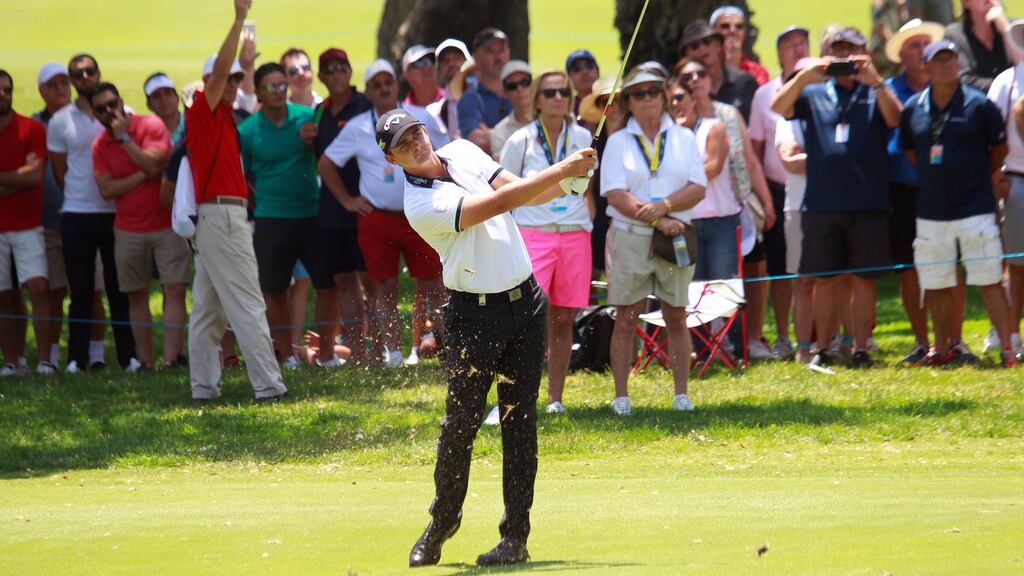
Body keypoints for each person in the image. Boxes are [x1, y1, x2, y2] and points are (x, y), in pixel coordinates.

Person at [378, 109, 596, 568]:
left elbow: (520, 190)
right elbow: (496, 205)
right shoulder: (420, 205)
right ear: (392, 159)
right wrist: (562, 169)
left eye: (415, 131)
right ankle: (442, 521)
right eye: (402, 143)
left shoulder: (461, 150)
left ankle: (515, 536)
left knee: (520, 422)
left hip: (527, 305)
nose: (415, 142)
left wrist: (570, 182)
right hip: (474, 316)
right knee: (461, 423)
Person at [772, 27, 903, 368]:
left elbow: (895, 119)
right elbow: (779, 106)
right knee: (825, 279)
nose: (845, 57)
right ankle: (823, 349)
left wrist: (876, 81)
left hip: (867, 202)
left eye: (851, 50)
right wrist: (804, 77)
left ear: (865, 53)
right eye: (838, 50)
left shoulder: (875, 92)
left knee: (863, 279)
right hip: (822, 203)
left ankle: (860, 348)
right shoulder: (814, 93)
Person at [186, 0, 289, 402]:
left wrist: (245, 64)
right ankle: (269, 387)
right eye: (225, 79)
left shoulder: (225, 116)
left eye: (235, 79)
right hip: (222, 217)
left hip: (219, 217)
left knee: (208, 311)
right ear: (209, 81)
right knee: (248, 302)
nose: (231, 84)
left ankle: (203, 389)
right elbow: (220, 73)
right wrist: (239, 19)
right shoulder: (203, 110)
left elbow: (239, 83)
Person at [318, 59, 446, 367]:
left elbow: (445, 151)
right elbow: (325, 164)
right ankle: (393, 354)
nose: (384, 89)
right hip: (377, 218)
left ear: (397, 85)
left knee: (434, 282)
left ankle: (450, 345)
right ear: (368, 93)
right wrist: (347, 200)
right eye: (377, 85)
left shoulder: (419, 117)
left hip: (419, 213)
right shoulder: (358, 126)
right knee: (382, 286)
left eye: (388, 82)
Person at [899, 39, 1017, 366]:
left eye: (951, 59)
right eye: (939, 60)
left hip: (975, 208)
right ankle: (942, 348)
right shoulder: (912, 108)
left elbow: (999, 150)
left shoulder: (980, 105)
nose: (947, 65)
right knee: (936, 283)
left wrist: (977, 175)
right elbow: (911, 152)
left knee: (990, 280)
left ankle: (1008, 350)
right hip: (931, 211)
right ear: (925, 67)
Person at [602, 69, 707, 416]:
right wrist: (658, 219)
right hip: (631, 237)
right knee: (627, 317)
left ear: (663, 97)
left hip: (674, 236)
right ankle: (621, 396)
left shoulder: (683, 137)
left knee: (676, 314)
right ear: (629, 102)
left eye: (653, 92)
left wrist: (665, 206)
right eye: (639, 93)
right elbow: (615, 194)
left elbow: (698, 187)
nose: (647, 98)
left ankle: (681, 394)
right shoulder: (618, 141)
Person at [498, 69, 594, 415]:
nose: (558, 98)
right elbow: (503, 192)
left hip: (574, 233)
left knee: (564, 317)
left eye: (564, 92)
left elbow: (587, 188)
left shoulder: (582, 136)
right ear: (537, 99)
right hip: (533, 234)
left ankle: (555, 400)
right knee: (526, 318)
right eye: (550, 92)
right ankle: (515, 397)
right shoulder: (520, 140)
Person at [47, 53, 137, 373]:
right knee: (81, 290)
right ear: (72, 80)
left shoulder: (123, 113)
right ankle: (76, 358)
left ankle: (129, 356)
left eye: (90, 71)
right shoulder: (60, 121)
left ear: (98, 73)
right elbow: (61, 172)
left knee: (119, 288)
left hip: (116, 212)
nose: (85, 77)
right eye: (77, 73)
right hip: (77, 212)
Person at [91, 82, 189, 371]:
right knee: (136, 295)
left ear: (121, 102)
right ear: (95, 114)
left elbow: (157, 165)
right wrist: (142, 174)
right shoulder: (99, 145)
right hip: (128, 229)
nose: (109, 112)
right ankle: (146, 361)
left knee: (175, 289)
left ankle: (172, 358)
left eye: (112, 104)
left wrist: (125, 140)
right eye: (101, 109)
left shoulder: (151, 125)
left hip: (166, 224)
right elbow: (107, 190)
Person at [237, 62, 321, 370]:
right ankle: (286, 356)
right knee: (274, 290)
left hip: (311, 212)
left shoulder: (306, 118)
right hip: (271, 219)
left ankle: (326, 353)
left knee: (327, 284)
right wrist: (261, 201)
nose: (278, 91)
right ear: (258, 92)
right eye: (271, 86)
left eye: (282, 84)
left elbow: (325, 158)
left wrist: (313, 142)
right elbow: (242, 175)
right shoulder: (247, 131)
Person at [885, 19, 951, 363]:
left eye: (926, 43)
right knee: (909, 270)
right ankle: (922, 342)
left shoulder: (949, 89)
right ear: (903, 56)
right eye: (914, 45)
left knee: (946, 265)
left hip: (942, 191)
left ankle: (952, 341)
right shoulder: (888, 89)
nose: (923, 50)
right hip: (901, 191)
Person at [748, 25, 811, 360]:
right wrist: (763, 199)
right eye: (789, 44)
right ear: (778, 54)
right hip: (776, 190)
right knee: (782, 269)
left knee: (816, 267)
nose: (797, 48)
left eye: (802, 43)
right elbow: (756, 153)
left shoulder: (822, 89)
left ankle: (816, 335)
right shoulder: (764, 95)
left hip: (816, 189)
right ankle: (784, 335)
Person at [309, 47, 371, 367]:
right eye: (329, 70)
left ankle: (377, 351)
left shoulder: (365, 106)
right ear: (321, 76)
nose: (336, 75)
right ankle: (354, 354)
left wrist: (351, 199)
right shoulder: (319, 112)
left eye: (341, 68)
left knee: (371, 281)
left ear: (349, 71)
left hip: (364, 205)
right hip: (332, 211)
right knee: (344, 280)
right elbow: (318, 159)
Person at [0, 69, 57, 376]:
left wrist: (13, 179)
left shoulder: (30, 128)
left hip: (27, 224)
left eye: (7, 90)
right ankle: (13, 362)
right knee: (4, 295)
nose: (3, 95)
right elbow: (24, 177)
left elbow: (34, 175)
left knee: (38, 286)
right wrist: (17, 179)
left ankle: (46, 361)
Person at [33, 63, 74, 370]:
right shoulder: (34, 124)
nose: (61, 88)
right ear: (41, 90)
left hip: (83, 218)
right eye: (53, 84)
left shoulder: (82, 118)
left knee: (90, 291)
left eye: (64, 82)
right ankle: (52, 356)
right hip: (45, 223)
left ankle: (92, 356)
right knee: (52, 291)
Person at [988, 19, 1024, 359]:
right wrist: (996, 176)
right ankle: (1011, 335)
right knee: (1015, 263)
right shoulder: (1007, 80)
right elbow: (991, 132)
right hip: (1017, 180)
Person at [578, 76, 623, 284]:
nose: (614, 107)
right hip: (601, 212)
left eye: (619, 100)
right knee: (593, 274)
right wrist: (589, 219)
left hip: (631, 214)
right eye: (607, 102)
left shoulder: (635, 135)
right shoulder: (594, 140)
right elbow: (589, 186)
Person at [680, 19, 758, 121]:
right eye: (694, 46)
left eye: (707, 41)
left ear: (718, 45)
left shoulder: (744, 81)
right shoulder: (685, 91)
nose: (702, 48)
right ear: (687, 54)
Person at [458, 27, 512, 155]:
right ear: (476, 57)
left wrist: (492, 134)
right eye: (490, 51)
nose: (498, 57)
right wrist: (522, 130)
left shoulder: (520, 89)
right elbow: (478, 140)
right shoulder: (470, 99)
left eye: (502, 50)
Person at [944, 0, 1018, 92]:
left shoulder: (1016, 28)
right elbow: (963, 80)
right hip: (978, 100)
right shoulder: (955, 34)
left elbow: (1022, 67)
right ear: (966, 2)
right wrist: (1004, 88)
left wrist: (1006, 30)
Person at [402, 44, 450, 150]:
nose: (426, 67)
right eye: (418, 63)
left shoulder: (451, 100)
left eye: (431, 61)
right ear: (406, 74)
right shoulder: (402, 115)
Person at [710, 5, 770, 86]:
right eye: (725, 26)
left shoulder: (758, 71)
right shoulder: (704, 70)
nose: (733, 30)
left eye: (739, 26)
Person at [490, 60, 532, 159]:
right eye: (512, 86)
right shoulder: (499, 132)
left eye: (525, 82)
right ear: (505, 93)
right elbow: (502, 166)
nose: (519, 89)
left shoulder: (552, 118)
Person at [435, 38, 470, 138]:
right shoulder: (439, 112)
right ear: (439, 69)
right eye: (446, 61)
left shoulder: (482, 97)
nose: (451, 63)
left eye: (457, 58)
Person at [144, 73, 185, 145]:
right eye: (157, 96)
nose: (163, 99)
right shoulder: (145, 132)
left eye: (168, 93)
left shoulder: (194, 125)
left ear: (177, 98)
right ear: (149, 104)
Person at [565, 49, 600, 122]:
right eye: (577, 69)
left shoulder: (611, 102)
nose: (585, 72)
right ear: (569, 78)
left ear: (598, 72)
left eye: (589, 66)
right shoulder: (566, 109)